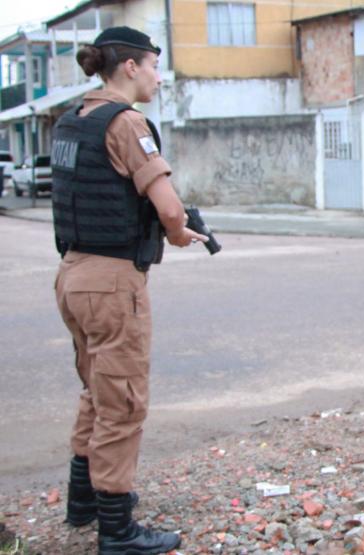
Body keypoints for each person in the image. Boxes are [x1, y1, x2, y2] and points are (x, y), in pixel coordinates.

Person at [52, 26, 208, 554]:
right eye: (154, 67)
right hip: (112, 282)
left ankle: (83, 502)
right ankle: (117, 531)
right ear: (130, 67)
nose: (159, 78)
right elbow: (168, 207)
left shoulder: (73, 119)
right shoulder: (126, 122)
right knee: (122, 402)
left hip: (73, 272)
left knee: (97, 390)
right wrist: (179, 232)